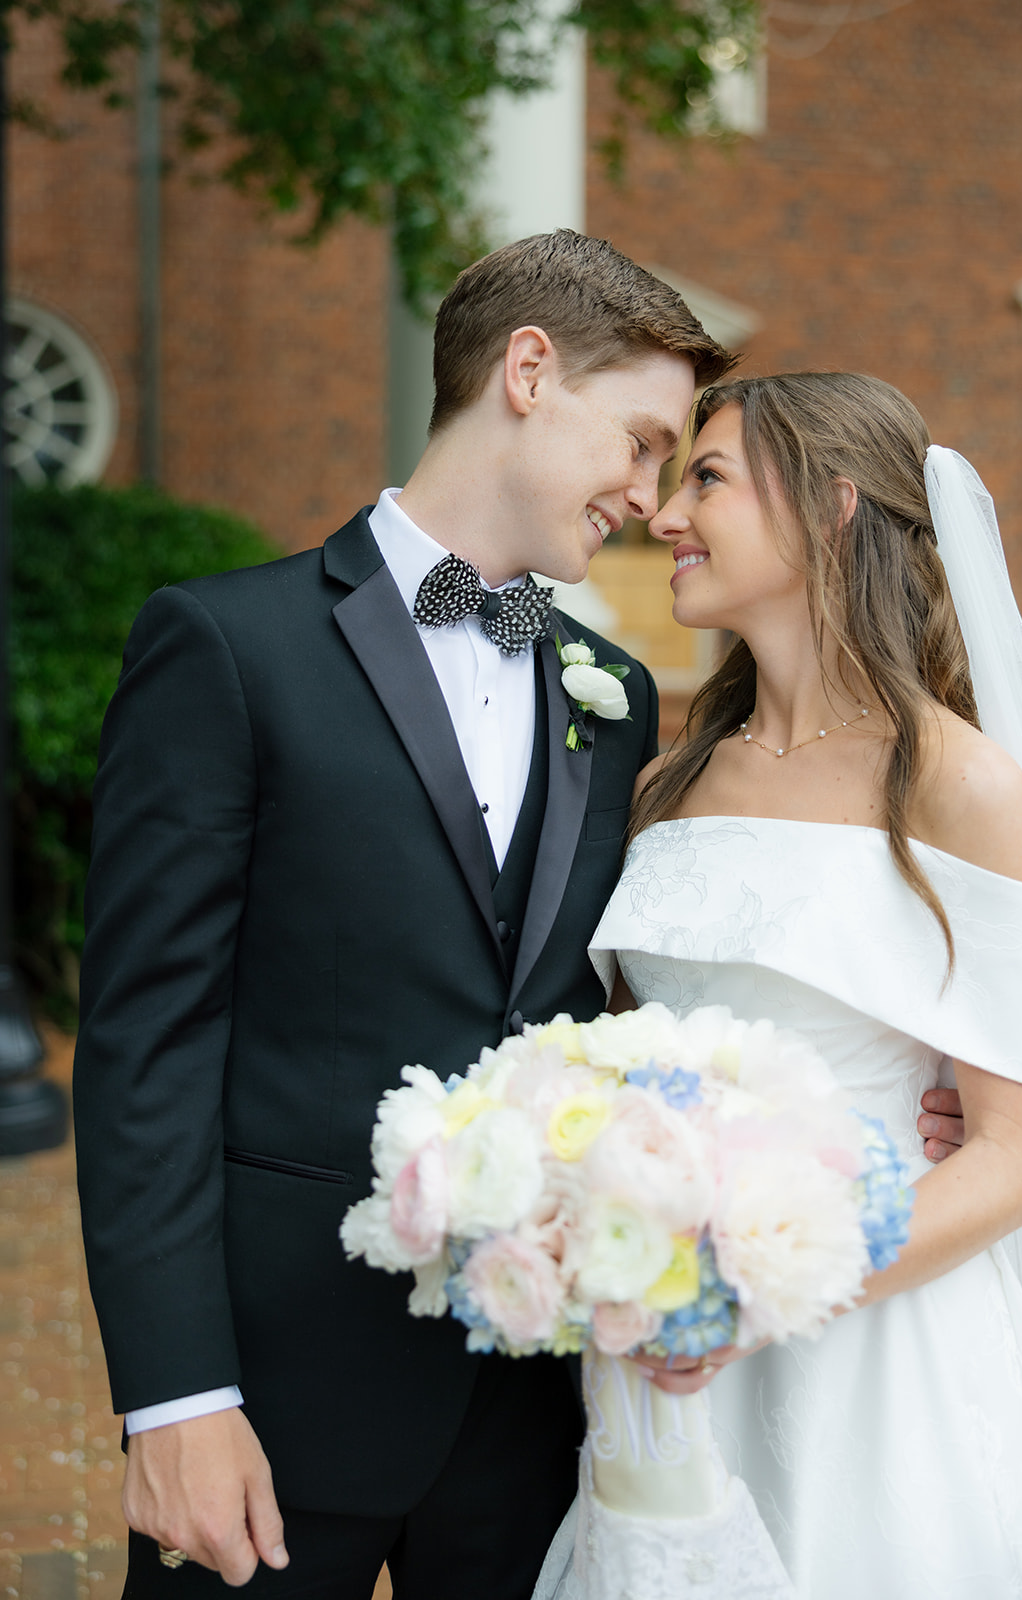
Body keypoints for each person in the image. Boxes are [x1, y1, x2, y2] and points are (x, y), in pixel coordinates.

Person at [72, 229, 733, 1600]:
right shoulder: (227, 646)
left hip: (528, 1412)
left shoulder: (612, 695)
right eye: (639, 442)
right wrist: (176, 1396)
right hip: (271, 1406)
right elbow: (146, 1047)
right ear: (528, 373)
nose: (647, 494)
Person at [561, 372, 1022, 1598]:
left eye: (707, 478)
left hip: (878, 1356)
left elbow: (1017, 1152)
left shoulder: (955, 784)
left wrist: (762, 1290)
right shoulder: (664, 785)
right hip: (665, 1360)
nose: (663, 515)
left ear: (831, 507)